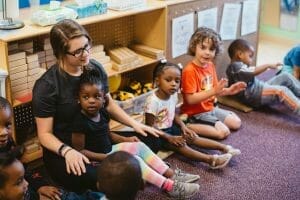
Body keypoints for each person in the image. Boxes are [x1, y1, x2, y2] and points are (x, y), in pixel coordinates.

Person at [32, 19, 162, 192]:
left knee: (152, 140)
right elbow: (44, 134)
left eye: (87, 46)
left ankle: (140, 173)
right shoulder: (46, 86)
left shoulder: (94, 67)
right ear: (61, 54)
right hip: (65, 150)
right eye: (78, 51)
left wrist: (135, 124)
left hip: (98, 137)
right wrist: (67, 151)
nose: (85, 54)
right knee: (107, 176)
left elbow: (108, 104)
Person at [71, 67, 200, 199]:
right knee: (134, 161)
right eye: (86, 97)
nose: (91, 101)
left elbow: (107, 134)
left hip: (108, 149)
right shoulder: (79, 122)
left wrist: (125, 139)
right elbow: (80, 151)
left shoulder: (102, 112)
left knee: (140, 146)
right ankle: (169, 186)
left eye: (96, 96)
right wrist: (105, 158)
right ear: (78, 98)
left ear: (104, 98)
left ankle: (170, 174)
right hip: (97, 159)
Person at [144, 60, 241, 169]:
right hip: (158, 135)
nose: (173, 84)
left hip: (170, 128)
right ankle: (211, 160)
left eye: (177, 81)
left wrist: (183, 127)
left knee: (192, 137)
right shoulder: (152, 101)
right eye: (168, 80)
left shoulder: (172, 95)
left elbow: (172, 114)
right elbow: (149, 127)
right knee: (182, 145)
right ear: (157, 81)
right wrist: (170, 137)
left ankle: (225, 148)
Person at [180, 27, 246, 138]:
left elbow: (215, 91)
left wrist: (229, 91)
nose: (207, 53)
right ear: (194, 47)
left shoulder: (210, 65)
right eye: (203, 48)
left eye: (211, 49)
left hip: (210, 108)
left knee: (236, 123)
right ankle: (187, 125)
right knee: (223, 132)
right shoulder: (189, 70)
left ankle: (213, 121)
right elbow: (190, 100)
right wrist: (214, 91)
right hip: (196, 113)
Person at [0, 97, 63, 200]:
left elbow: (23, 169)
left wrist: (39, 186)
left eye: (7, 125)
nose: (4, 132)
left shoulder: (9, 144)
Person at [226, 39, 300, 115]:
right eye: (250, 56)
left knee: (285, 76)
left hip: (259, 88)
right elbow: (253, 71)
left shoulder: (238, 67)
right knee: (281, 91)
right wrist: (268, 65)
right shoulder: (234, 68)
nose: (251, 60)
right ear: (240, 54)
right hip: (255, 96)